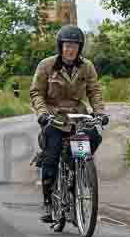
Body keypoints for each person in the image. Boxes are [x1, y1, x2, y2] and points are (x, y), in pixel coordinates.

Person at [29, 25, 109, 223]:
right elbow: (36, 92)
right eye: (66, 45)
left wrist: (99, 113)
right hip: (53, 117)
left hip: (77, 117)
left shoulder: (87, 66)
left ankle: (80, 170)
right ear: (60, 46)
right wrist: (42, 113)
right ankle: (48, 202)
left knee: (94, 138)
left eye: (73, 46)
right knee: (51, 156)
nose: (69, 49)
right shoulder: (46, 65)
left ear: (79, 48)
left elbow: (94, 91)